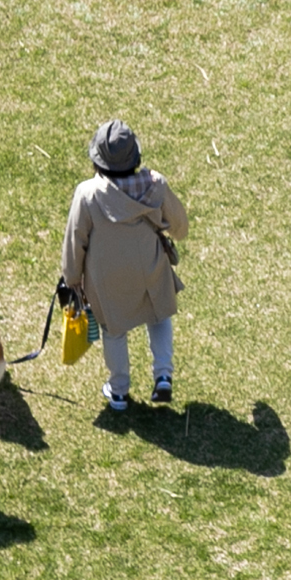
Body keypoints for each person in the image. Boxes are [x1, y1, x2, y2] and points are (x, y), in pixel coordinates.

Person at [56, 120, 189, 412]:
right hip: (151, 266)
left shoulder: (87, 194)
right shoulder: (156, 184)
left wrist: (72, 278)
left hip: (106, 278)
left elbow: (74, 241)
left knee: (113, 331)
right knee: (158, 314)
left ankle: (118, 392)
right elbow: (180, 228)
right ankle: (163, 375)